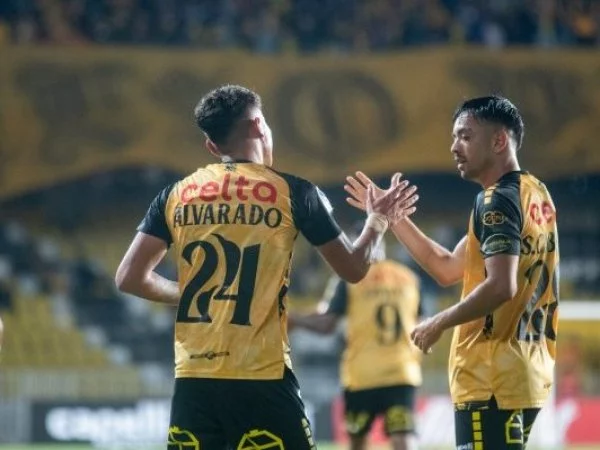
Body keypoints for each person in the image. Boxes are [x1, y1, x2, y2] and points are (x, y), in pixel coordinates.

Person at [115, 85, 418, 450]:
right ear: (259, 125)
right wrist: (377, 221)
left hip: (194, 378)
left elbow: (129, 278)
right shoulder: (295, 192)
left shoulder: (175, 194)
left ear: (211, 146)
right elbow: (354, 269)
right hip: (261, 377)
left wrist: (187, 292)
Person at [344, 96, 559, 450]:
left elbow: (501, 286)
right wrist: (393, 218)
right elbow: (446, 267)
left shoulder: (495, 201)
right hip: (525, 371)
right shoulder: (536, 194)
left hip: (491, 375)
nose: (454, 147)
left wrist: (438, 322)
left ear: (499, 141)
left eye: (465, 136)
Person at [289, 229, 423, 450]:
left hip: (363, 374)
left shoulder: (351, 279)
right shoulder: (409, 278)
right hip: (401, 371)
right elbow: (421, 322)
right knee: (403, 438)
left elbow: (327, 324)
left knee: (357, 441)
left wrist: (293, 320)